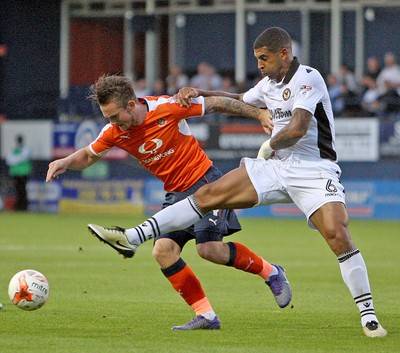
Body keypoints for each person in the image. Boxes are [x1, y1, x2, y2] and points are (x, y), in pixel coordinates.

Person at [88, 27, 387, 338]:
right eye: (257, 59)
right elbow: (238, 98)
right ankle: (133, 237)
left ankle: (368, 315)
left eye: (263, 58)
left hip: (315, 170)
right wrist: (196, 93)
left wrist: (270, 144)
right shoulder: (268, 84)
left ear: (283, 54)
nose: (259, 64)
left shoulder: (308, 78)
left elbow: (298, 128)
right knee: (208, 195)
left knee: (338, 235)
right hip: (277, 168)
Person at [46, 74, 291, 330]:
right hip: (175, 194)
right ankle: (206, 316)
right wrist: (64, 161)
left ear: (131, 105)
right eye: (108, 118)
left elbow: (217, 103)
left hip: (207, 183)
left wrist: (259, 114)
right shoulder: (114, 132)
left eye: (115, 116)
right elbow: (87, 156)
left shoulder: (167, 107)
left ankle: (272, 273)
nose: (112, 123)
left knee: (209, 250)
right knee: (163, 251)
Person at [6, 135, 32, 211]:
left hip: (24, 173)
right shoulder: (13, 150)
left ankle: (24, 206)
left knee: (23, 190)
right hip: (15, 173)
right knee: (18, 190)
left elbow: (22, 158)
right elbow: (9, 160)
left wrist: (15, 160)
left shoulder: (26, 149)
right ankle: (19, 206)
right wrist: (16, 159)